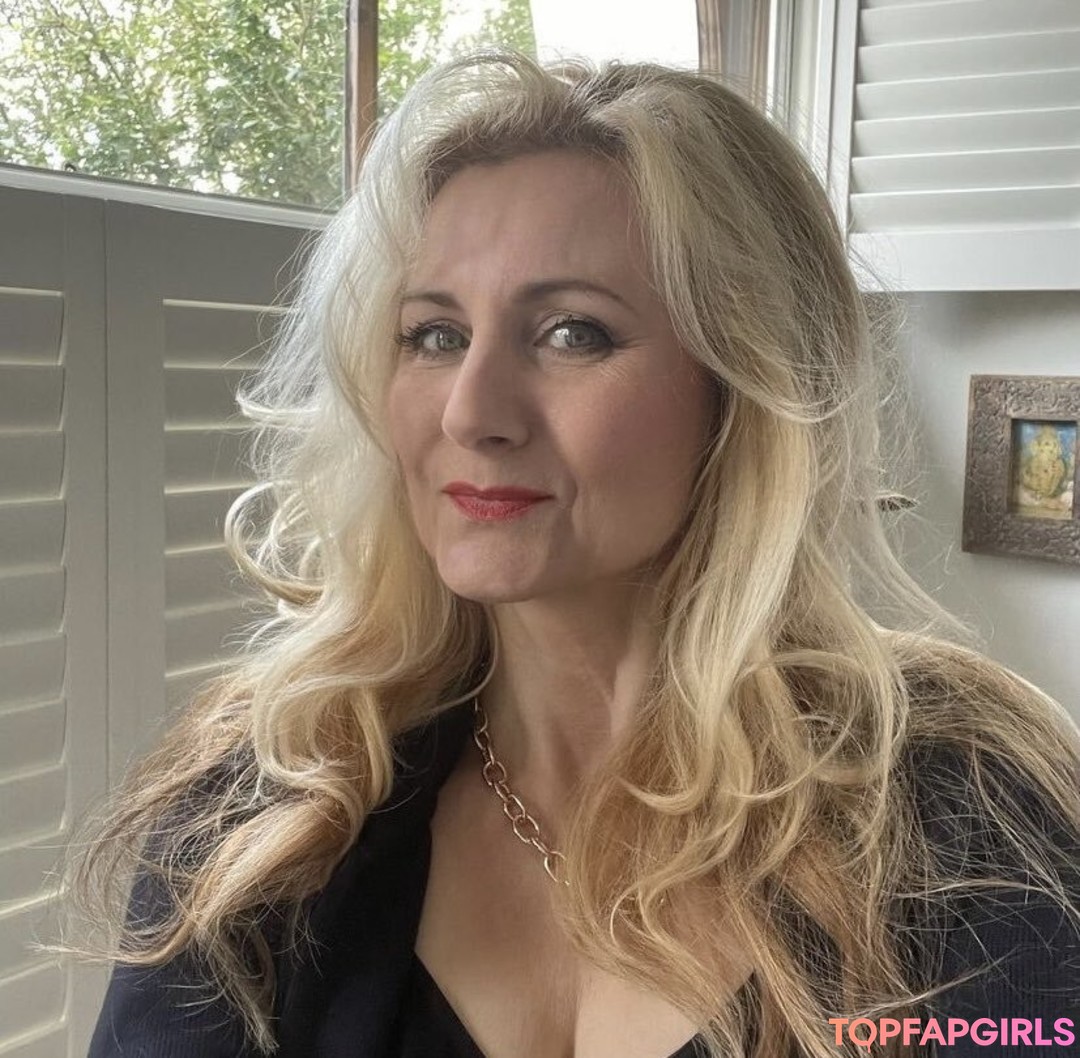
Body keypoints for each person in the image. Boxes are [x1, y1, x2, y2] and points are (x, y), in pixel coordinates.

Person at [72, 48, 1080, 1058]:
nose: (471, 412)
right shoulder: (268, 804)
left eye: (572, 333)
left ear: (742, 390)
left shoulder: (973, 810)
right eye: (434, 335)